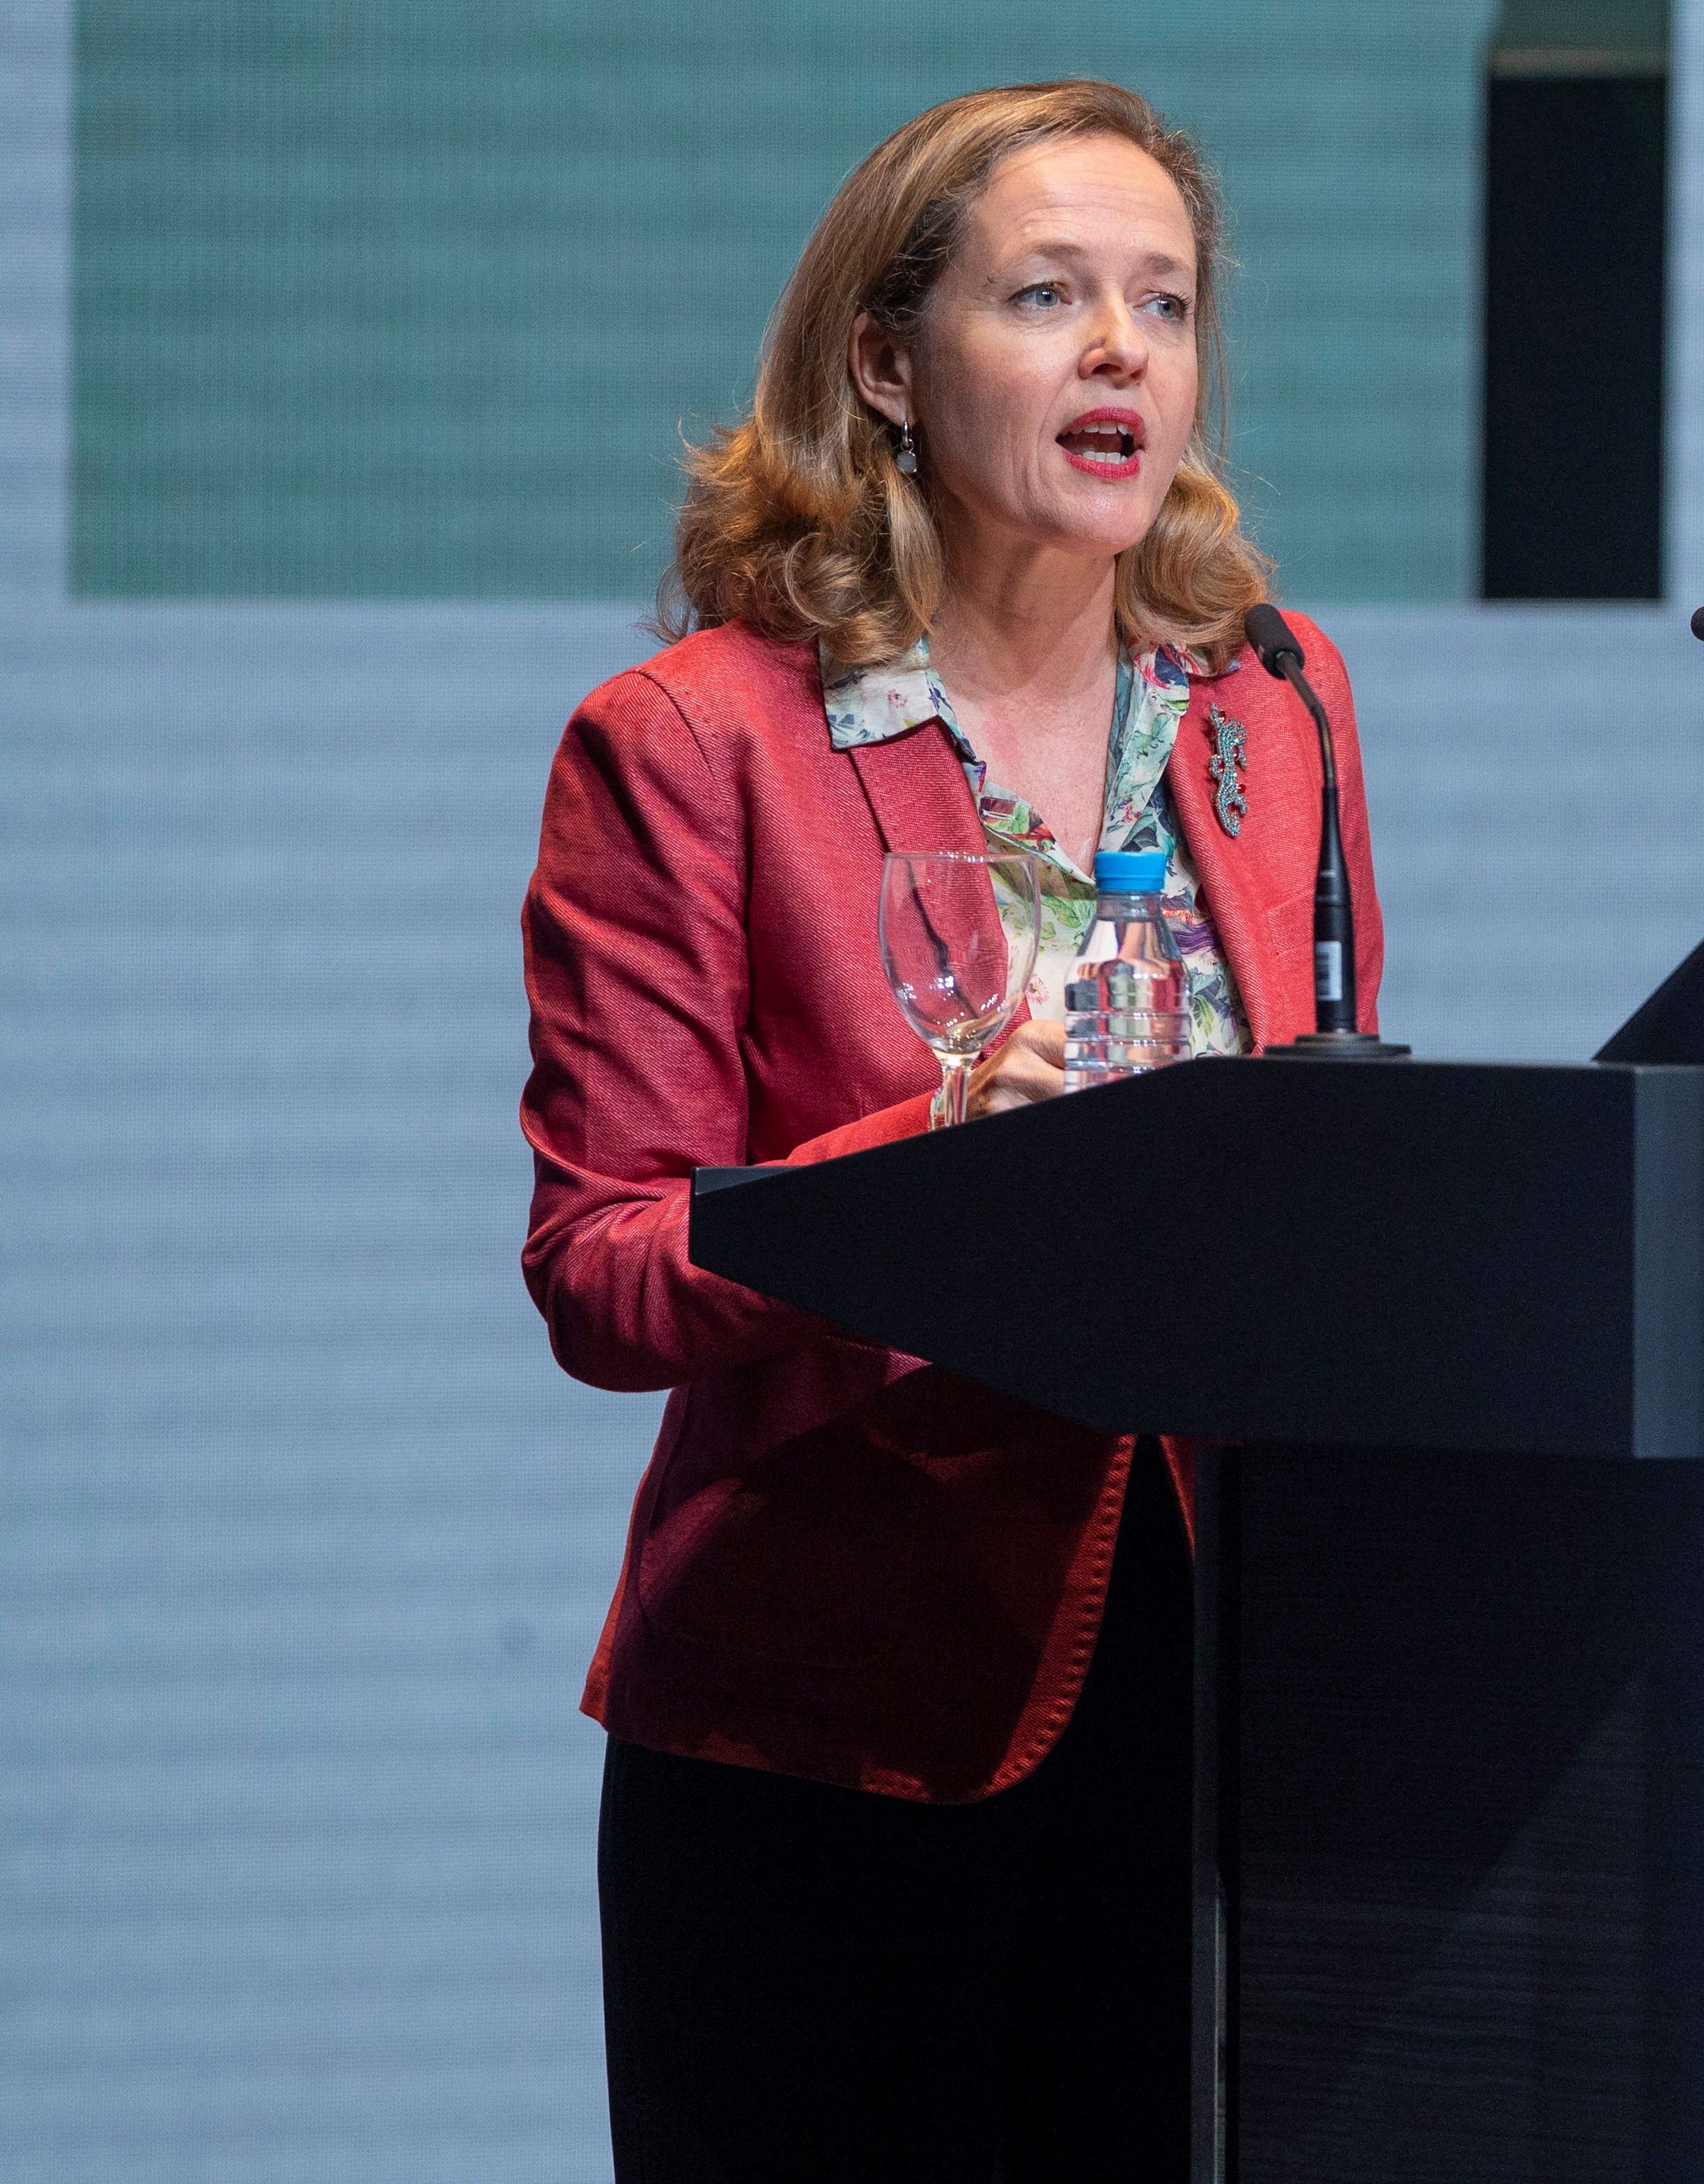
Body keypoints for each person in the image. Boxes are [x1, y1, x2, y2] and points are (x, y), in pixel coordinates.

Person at [517, 79, 1386, 2179]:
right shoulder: (694, 745)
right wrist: (928, 1169)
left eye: (1163, 304)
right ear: (889, 365)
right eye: (1048, 295)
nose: (1123, 353)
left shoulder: (1273, 703)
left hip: (1217, 1709)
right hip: (833, 1720)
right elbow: (603, 1270)